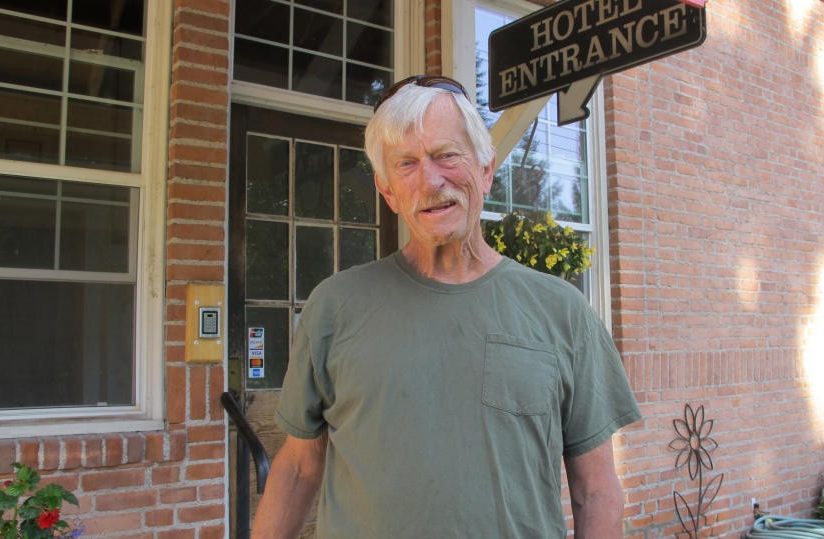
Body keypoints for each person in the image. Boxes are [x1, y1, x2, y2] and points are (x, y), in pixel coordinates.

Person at [252, 75, 641, 538]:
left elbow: (596, 490)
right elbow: (297, 469)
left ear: (485, 168)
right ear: (387, 191)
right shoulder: (334, 307)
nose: (431, 180)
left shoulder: (563, 311)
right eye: (407, 164)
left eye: (446, 155)